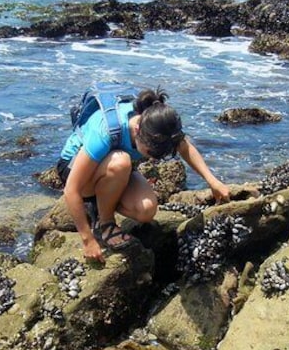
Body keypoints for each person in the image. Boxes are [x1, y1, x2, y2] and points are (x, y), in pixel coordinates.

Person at [57, 85, 230, 262]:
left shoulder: (160, 124)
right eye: (151, 154)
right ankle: (105, 223)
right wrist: (87, 240)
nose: (154, 160)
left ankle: (102, 202)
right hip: (76, 171)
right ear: (137, 130)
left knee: (146, 210)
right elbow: (71, 189)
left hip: (112, 169)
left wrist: (213, 182)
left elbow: (185, 147)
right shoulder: (105, 131)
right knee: (121, 161)